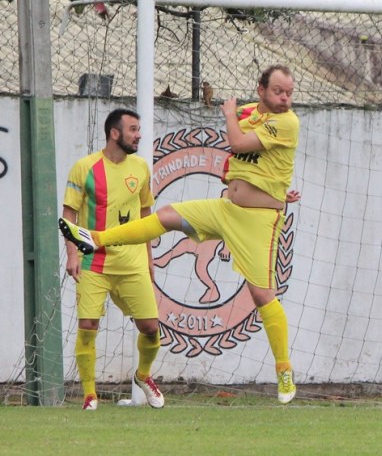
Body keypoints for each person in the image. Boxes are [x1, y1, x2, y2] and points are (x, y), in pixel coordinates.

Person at [60, 64, 302, 404]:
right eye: (279, 91)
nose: (286, 99)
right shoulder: (252, 112)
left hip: (258, 221)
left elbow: (235, 140)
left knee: (262, 294)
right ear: (261, 89)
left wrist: (230, 113)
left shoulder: (286, 121)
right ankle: (95, 238)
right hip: (226, 209)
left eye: (290, 92)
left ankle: (284, 370)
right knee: (167, 216)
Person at [62, 108, 164, 410]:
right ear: (115, 133)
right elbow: (69, 214)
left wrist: (148, 258)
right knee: (88, 324)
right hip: (94, 262)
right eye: (133, 129)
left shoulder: (141, 168)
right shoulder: (85, 168)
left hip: (132, 263)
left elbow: (146, 215)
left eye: (139, 129)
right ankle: (90, 395)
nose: (139, 135)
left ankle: (143, 376)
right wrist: (72, 254)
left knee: (150, 328)